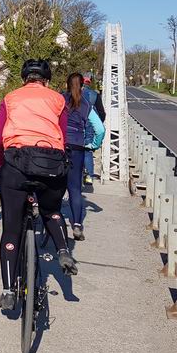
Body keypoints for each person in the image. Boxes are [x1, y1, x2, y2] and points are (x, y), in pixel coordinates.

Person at [0, 59, 78, 311]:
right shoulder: (57, 100)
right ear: (47, 81)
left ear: (23, 79)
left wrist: (0, 166)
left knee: (11, 229)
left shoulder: (10, 98)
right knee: (51, 210)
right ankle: (63, 249)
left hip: (16, 167)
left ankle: (8, 291)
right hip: (50, 165)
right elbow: (62, 138)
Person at [63, 73, 105, 241]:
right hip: (78, 147)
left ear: (66, 84)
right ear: (82, 85)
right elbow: (100, 129)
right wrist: (93, 145)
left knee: (53, 184)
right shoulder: (86, 104)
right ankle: (77, 226)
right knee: (75, 189)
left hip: (60, 146)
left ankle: (50, 218)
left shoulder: (60, 99)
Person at [81, 75, 106, 185]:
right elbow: (101, 113)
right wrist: (98, 122)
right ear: (89, 83)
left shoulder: (72, 94)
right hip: (90, 125)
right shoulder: (95, 95)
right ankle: (89, 176)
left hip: (76, 125)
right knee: (87, 151)